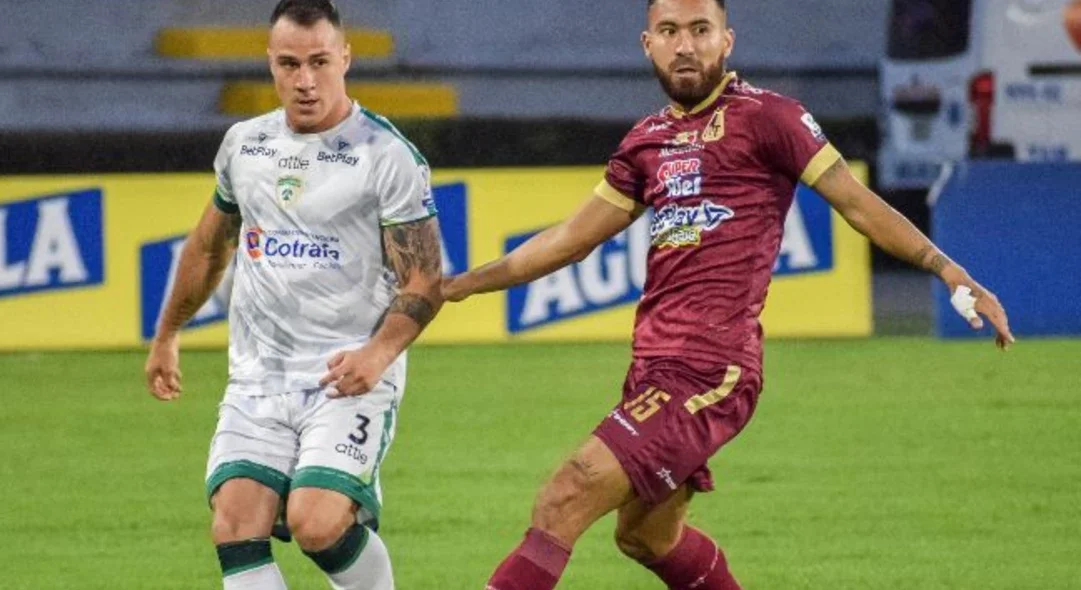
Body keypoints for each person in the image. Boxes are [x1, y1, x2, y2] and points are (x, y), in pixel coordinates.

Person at [443, 0, 1015, 588]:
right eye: (669, 32)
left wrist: (948, 269)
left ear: (727, 41)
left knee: (565, 495)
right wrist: (462, 284)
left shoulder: (771, 118)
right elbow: (568, 240)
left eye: (699, 30)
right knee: (645, 536)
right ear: (648, 44)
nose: (685, 45)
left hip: (710, 368)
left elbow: (856, 203)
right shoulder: (647, 140)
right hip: (651, 368)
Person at [143, 1, 443, 588]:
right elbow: (207, 248)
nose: (305, 81)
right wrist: (167, 335)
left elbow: (424, 280)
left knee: (318, 522)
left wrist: (376, 357)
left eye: (319, 62)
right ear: (270, 64)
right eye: (289, 64)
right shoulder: (244, 146)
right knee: (234, 523)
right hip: (259, 376)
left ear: (346, 58)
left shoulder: (386, 156)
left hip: (347, 372)